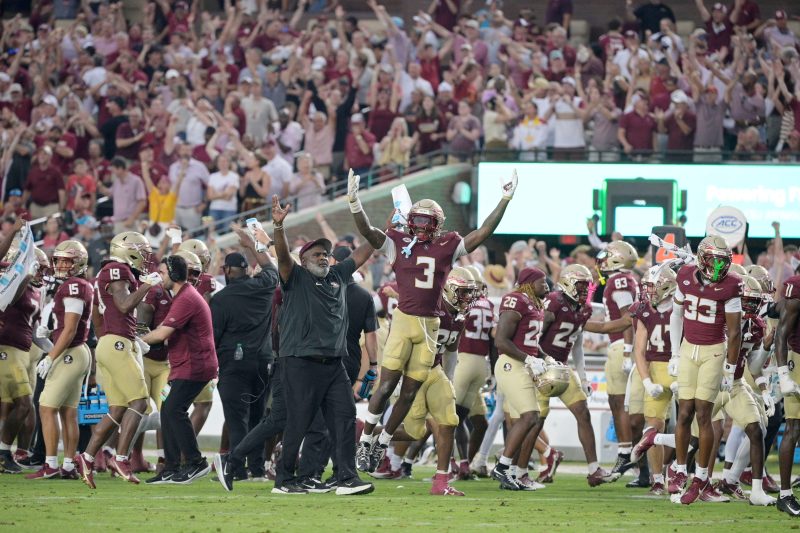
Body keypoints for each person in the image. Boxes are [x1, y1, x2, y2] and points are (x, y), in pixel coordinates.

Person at [349, 167, 517, 474]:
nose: (422, 226)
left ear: (438, 224)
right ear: (410, 220)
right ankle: (365, 440)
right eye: (418, 220)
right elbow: (368, 232)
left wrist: (505, 200)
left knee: (409, 391)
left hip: (430, 325)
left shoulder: (448, 245)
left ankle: (382, 442)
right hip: (404, 321)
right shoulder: (397, 242)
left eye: (428, 221)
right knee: (386, 386)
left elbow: (482, 233)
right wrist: (354, 203)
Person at [267, 195, 375, 495]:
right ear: (303, 260)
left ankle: (346, 477)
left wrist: (386, 231)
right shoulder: (294, 276)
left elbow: (365, 251)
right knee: (299, 422)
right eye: (316, 254)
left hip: (334, 363)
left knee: (345, 416)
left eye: (326, 254)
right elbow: (282, 256)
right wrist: (278, 227)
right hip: (300, 362)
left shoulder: (338, 275)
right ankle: (284, 479)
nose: (324, 257)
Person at [368, 267, 478, 496]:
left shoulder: (459, 316)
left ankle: (441, 481)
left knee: (449, 421)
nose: (467, 297)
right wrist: (398, 376)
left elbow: (451, 350)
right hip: (413, 371)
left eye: (469, 292)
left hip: (434, 370)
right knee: (415, 431)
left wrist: (449, 379)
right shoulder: (429, 310)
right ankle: (364, 432)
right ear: (449, 290)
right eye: (464, 292)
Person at [75, 231, 162, 489]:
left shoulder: (110, 273)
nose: (145, 258)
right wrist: (146, 286)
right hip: (116, 344)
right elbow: (124, 305)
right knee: (140, 401)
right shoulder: (117, 270)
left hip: (111, 342)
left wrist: (126, 337)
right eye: (142, 252)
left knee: (117, 409)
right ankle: (121, 458)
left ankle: (87, 457)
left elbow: (103, 313)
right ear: (129, 251)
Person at [668, 236, 742, 504]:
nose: (718, 266)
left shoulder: (731, 284)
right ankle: (679, 470)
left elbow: (735, 332)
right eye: (714, 260)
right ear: (701, 258)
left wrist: (730, 369)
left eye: (723, 261)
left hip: (713, 350)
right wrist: (675, 353)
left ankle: (700, 476)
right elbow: (676, 315)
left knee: (703, 413)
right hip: (689, 348)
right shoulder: (685, 276)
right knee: (684, 411)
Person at [531, 264, 616, 486]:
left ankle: (594, 469)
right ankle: (519, 469)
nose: (584, 290)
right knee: (534, 420)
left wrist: (584, 377)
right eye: (580, 285)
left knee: (582, 412)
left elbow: (576, 344)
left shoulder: (584, 309)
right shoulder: (554, 301)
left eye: (587, 286)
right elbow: (535, 335)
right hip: (540, 365)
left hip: (561, 367)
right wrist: (534, 362)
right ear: (568, 283)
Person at [141, 255, 218, 484]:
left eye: (163, 272)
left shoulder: (186, 298)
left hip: (195, 364)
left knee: (174, 409)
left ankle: (196, 462)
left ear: (174, 274)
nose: (160, 277)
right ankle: (171, 467)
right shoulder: (183, 296)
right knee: (168, 411)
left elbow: (163, 333)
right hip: (186, 364)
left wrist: (136, 341)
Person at [210, 225, 278, 481]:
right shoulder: (263, 287)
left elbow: (214, 337)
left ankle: (237, 470)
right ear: (248, 270)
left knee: (237, 419)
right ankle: (257, 468)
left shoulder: (221, 299)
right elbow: (270, 267)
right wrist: (252, 244)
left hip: (234, 365)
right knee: (258, 418)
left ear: (226, 271)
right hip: (263, 362)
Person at [25, 241, 93, 480]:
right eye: (59, 260)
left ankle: (51, 464)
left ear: (79, 263)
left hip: (70, 353)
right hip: (76, 352)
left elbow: (71, 329)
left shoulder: (75, 286)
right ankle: (68, 465)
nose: (62, 265)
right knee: (68, 411)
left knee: (46, 407)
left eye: (67, 260)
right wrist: (52, 332)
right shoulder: (76, 285)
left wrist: (51, 356)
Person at [490, 267, 550, 490]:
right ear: (529, 283)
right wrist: (528, 359)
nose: (547, 286)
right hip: (511, 364)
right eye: (542, 282)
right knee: (530, 416)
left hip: (523, 365)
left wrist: (545, 357)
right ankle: (503, 467)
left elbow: (529, 341)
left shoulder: (534, 304)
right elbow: (501, 341)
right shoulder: (515, 300)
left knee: (528, 420)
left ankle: (514, 473)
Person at [0, 221, 44, 474]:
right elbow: (7, 300)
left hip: (22, 350)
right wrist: (24, 276)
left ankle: (5, 452)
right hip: (7, 347)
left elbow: (35, 329)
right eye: (39, 266)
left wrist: (53, 350)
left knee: (21, 405)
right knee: (23, 404)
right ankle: (4, 452)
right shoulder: (12, 277)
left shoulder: (37, 291)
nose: (41, 272)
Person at [774, 264, 800, 516]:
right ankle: (784, 495)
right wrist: (783, 375)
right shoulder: (797, 286)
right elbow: (781, 334)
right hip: (799, 361)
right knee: (794, 428)